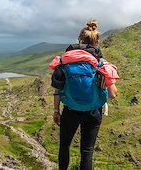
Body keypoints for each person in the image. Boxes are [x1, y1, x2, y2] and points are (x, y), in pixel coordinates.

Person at [51, 29, 118, 170]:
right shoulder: (101, 63)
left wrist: (56, 111)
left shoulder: (65, 61)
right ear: (97, 42)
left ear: (79, 40)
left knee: (64, 146)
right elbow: (112, 94)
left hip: (70, 111)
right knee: (87, 150)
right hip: (93, 113)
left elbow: (58, 90)